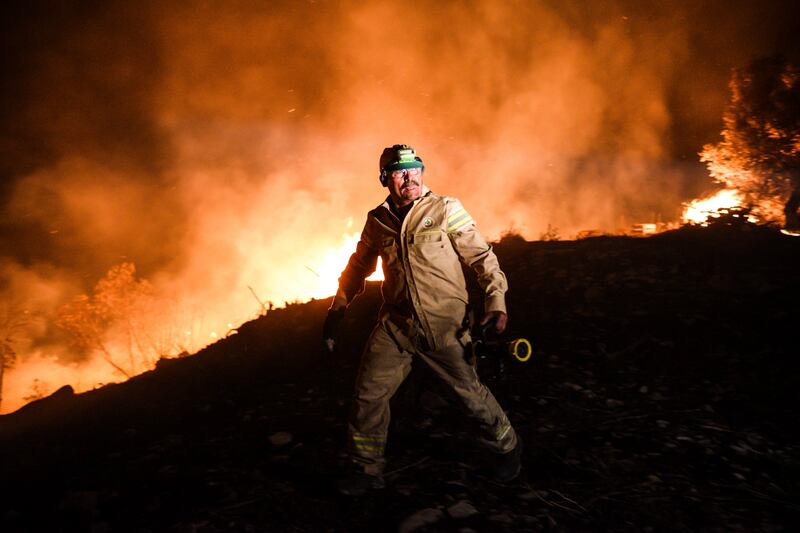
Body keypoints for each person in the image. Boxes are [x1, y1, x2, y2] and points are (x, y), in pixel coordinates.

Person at [323, 144, 521, 496]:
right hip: (396, 326)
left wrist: (496, 301)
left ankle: (507, 447)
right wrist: (336, 311)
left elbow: (483, 258)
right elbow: (357, 270)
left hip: (445, 325)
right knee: (368, 395)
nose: (409, 177)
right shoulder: (378, 220)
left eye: (415, 169)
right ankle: (367, 470)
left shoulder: (446, 209)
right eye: (400, 172)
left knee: (470, 395)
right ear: (386, 179)